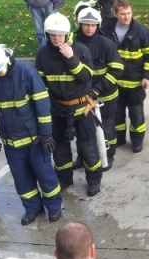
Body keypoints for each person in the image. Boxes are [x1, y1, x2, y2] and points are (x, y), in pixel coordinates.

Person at [0, 42, 63, 226]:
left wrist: (46, 134)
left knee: (45, 175)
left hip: (35, 140)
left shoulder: (26, 72)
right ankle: (32, 208)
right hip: (11, 142)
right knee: (21, 179)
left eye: (0, 70)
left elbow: (42, 105)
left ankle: (54, 207)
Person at [35, 13, 102, 197]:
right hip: (58, 110)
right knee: (60, 149)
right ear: (47, 34)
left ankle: (94, 180)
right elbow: (40, 83)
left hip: (81, 110)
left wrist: (71, 58)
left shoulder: (80, 50)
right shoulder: (43, 54)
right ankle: (64, 179)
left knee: (88, 147)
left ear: (67, 34)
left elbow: (86, 77)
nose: (57, 38)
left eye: (60, 34)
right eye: (53, 34)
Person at [102, 0, 149, 153]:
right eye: (123, 14)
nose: (127, 17)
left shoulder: (141, 32)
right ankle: (119, 139)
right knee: (117, 115)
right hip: (115, 83)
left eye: (129, 13)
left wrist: (147, 76)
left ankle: (137, 141)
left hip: (135, 84)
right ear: (115, 14)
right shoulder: (106, 30)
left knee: (136, 115)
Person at [74, 3, 123, 171]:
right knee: (82, 129)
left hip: (106, 96)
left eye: (93, 25)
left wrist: (97, 89)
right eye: (86, 25)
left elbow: (117, 69)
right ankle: (83, 156)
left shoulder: (106, 44)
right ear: (79, 25)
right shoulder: (74, 44)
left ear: (98, 25)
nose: (89, 28)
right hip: (82, 97)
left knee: (107, 126)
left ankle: (108, 154)